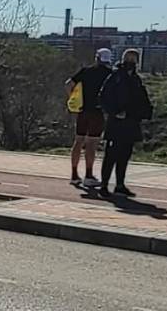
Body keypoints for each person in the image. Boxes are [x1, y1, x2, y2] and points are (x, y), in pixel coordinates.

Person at [98, 49, 153, 198]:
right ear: (123, 59)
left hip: (131, 122)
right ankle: (104, 185)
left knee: (125, 155)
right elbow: (103, 96)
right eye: (128, 59)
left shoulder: (136, 79)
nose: (131, 62)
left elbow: (142, 99)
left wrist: (146, 112)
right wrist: (114, 112)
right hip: (116, 123)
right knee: (111, 155)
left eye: (134, 59)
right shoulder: (115, 76)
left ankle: (120, 185)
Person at [64, 47, 112, 188]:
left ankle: (74, 175)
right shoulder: (110, 74)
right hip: (97, 112)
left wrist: (73, 99)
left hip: (83, 110)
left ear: (97, 58)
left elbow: (68, 84)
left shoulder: (85, 71)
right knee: (92, 143)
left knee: (78, 141)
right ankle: (89, 175)